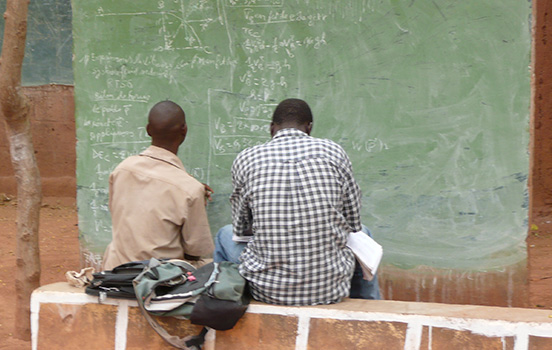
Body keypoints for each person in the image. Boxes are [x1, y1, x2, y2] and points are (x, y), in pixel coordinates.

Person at [214, 98, 381, 306]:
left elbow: (240, 229)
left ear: (271, 128)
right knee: (364, 232)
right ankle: (368, 306)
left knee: (224, 234)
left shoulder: (247, 159)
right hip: (329, 290)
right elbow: (353, 223)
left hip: (268, 290)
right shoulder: (334, 152)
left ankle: (221, 301)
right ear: (309, 128)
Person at [101, 100, 214, 271]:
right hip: (159, 278)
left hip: (116, 271)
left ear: (148, 130)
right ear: (184, 130)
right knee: (215, 264)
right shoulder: (190, 188)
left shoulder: (122, 169)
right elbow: (196, 250)